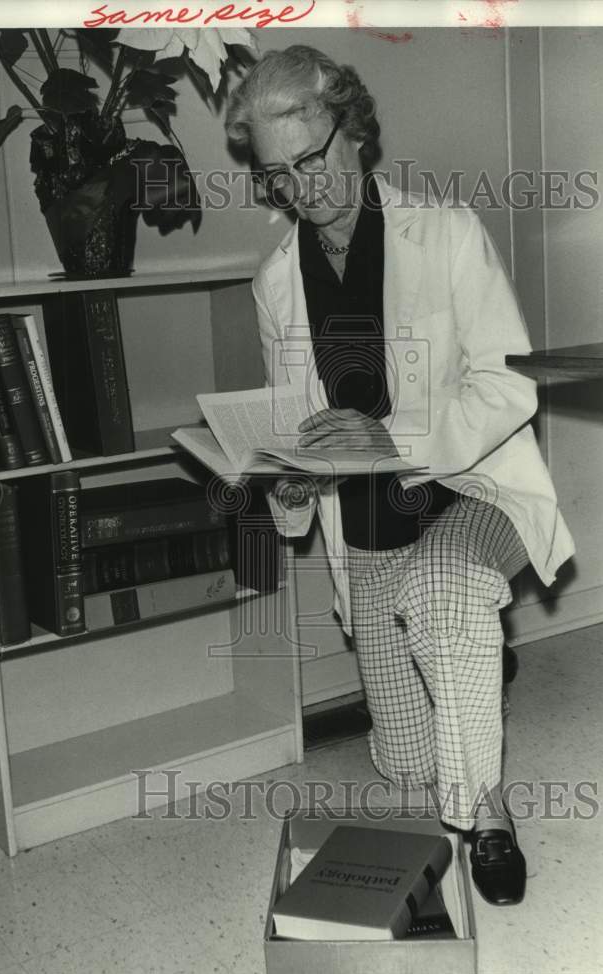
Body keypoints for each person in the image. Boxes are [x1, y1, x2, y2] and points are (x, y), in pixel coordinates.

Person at [225, 44, 575, 905]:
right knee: (409, 763)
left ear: (355, 132)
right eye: (279, 176)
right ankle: (473, 662)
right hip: (372, 520)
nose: (302, 187)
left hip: (475, 484)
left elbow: (508, 384)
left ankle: (486, 819)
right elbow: (296, 417)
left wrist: (390, 436)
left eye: (311, 159)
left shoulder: (447, 232)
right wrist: (292, 478)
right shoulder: (276, 284)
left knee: (448, 594)